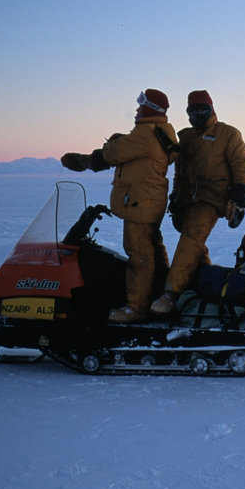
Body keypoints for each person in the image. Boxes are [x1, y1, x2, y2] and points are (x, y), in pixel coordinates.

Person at [60, 89, 177, 323]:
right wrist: (122, 139)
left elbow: (113, 154)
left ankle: (136, 308)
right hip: (148, 202)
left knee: (139, 255)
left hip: (139, 203)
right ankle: (157, 295)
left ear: (151, 108)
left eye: (141, 103)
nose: (137, 108)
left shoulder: (145, 133)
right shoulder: (162, 131)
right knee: (152, 250)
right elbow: (132, 148)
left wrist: (83, 161)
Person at [150, 90, 245, 316]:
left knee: (192, 238)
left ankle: (171, 293)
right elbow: (179, 172)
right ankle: (204, 284)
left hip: (212, 198)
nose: (197, 115)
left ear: (211, 109)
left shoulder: (227, 134)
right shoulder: (186, 137)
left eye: (202, 109)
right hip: (187, 200)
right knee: (195, 246)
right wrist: (175, 197)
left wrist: (241, 189)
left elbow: (240, 162)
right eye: (192, 110)